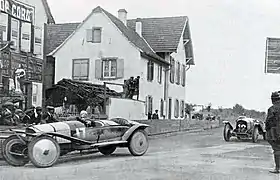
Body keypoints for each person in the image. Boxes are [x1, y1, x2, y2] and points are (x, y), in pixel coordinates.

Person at [265, 91, 280, 174]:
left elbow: (268, 122)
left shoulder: (272, 108)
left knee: (277, 150)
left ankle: (278, 168)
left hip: (276, 133)